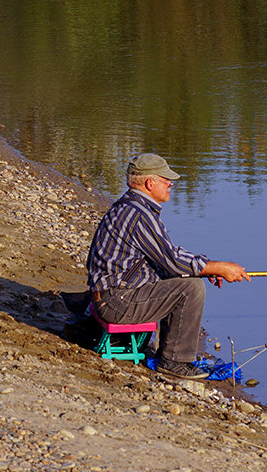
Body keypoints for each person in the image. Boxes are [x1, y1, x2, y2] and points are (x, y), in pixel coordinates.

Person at [86, 152, 249, 380]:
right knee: (191, 288)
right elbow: (171, 259)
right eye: (166, 179)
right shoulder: (138, 214)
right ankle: (175, 361)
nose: (170, 184)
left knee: (189, 280)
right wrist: (216, 267)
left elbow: (164, 260)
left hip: (111, 295)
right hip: (115, 302)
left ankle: (172, 355)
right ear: (150, 183)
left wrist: (208, 269)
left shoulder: (130, 206)